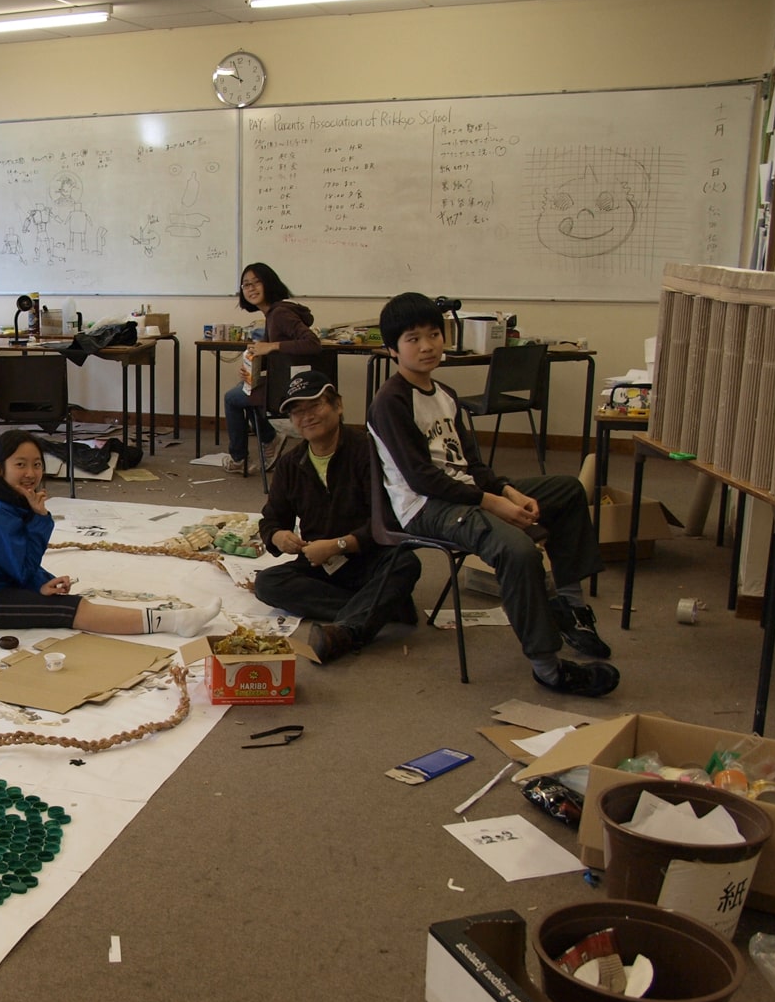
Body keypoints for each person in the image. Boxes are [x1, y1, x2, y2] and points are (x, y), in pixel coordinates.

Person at [366, 292, 618, 697]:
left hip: (464, 494)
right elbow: (422, 478)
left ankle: (569, 608)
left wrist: (506, 490)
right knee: (516, 549)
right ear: (392, 349)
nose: (427, 346)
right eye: (413, 339)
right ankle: (548, 668)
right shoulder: (390, 401)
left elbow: (473, 465)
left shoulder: (445, 394)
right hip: (426, 507)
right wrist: (492, 502)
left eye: (434, 335)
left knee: (567, 490)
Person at [0, 430, 221, 635]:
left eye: (37, 464)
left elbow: (11, 558)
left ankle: (170, 620)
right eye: (20, 465)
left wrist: (40, 581)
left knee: (51, 595)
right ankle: (173, 622)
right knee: (68, 610)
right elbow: (21, 567)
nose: (31, 473)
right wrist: (40, 519)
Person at [254, 370, 423, 664]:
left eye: (315, 406)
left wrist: (339, 545)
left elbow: (389, 520)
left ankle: (348, 629)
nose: (306, 417)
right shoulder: (291, 464)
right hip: (322, 564)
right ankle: (381, 606)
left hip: (368, 556)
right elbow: (272, 519)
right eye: (297, 411)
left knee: (406, 563)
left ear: (338, 405)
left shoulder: (368, 452)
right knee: (267, 583)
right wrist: (278, 536)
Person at [224, 262, 321, 475]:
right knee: (246, 387)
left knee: (232, 399)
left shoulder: (280, 314)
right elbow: (280, 357)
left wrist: (271, 346)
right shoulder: (273, 314)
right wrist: (252, 367)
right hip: (283, 380)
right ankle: (270, 439)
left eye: (256, 282)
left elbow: (312, 343)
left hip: (286, 386)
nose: (251, 288)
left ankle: (240, 457)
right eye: (246, 284)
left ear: (269, 283)